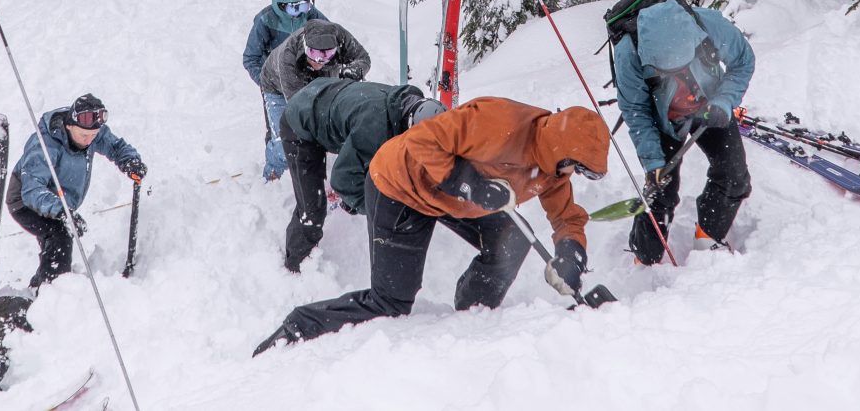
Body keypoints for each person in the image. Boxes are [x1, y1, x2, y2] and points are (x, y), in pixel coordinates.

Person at [253, 97, 609, 355]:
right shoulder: (497, 121)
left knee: (512, 239)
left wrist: (571, 251)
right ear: (562, 151)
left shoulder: (553, 172)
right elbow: (424, 139)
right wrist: (466, 181)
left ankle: (474, 314)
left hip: (456, 197)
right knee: (390, 301)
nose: (573, 175)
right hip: (401, 186)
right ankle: (300, 324)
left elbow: (567, 217)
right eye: (576, 167)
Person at [613, 0, 755, 265]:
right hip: (662, 121)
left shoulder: (708, 25)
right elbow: (635, 111)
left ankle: (708, 236)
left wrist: (723, 102)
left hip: (709, 105)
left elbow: (743, 61)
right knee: (661, 191)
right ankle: (644, 258)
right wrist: (653, 161)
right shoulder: (628, 52)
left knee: (734, 175)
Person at [280, 77, 446, 272]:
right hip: (300, 123)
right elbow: (342, 179)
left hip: (325, 95)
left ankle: (343, 200)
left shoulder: (410, 103)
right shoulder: (375, 127)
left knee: (362, 172)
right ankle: (295, 266)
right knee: (312, 211)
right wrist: (373, 208)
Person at [6, 94, 147, 289]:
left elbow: (115, 146)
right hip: (25, 200)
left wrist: (129, 161)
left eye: (93, 136)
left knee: (56, 242)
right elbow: (32, 189)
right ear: (69, 125)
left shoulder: (90, 131)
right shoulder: (46, 144)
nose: (89, 140)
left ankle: (39, 290)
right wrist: (63, 212)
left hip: (60, 203)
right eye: (84, 136)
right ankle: (53, 294)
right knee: (60, 235)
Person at [258, 18, 371, 181]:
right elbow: (299, 107)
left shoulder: (341, 37)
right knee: (287, 138)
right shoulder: (287, 58)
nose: (320, 61)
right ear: (305, 46)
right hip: (277, 87)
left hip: (323, 81)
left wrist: (353, 71)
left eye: (327, 54)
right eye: (314, 54)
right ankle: (272, 174)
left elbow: (363, 58)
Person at [243, 0, 328, 181]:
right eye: (294, 7)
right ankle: (274, 174)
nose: (300, 12)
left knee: (311, 131)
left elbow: (331, 41)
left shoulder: (313, 17)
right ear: (280, 5)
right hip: (276, 88)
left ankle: (309, 172)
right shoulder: (265, 22)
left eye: (304, 5)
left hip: (307, 86)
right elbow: (250, 58)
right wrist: (267, 82)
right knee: (280, 135)